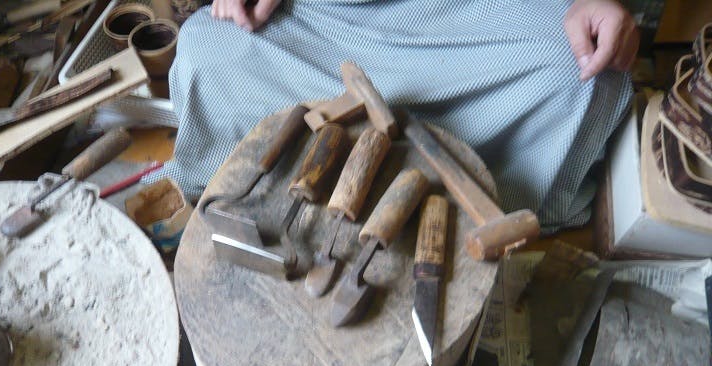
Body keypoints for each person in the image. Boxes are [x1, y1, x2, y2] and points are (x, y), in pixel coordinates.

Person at [152, 0, 638, 231]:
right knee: (205, 51)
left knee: (583, 67)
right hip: (322, 19)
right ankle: (262, 185)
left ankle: (483, 201)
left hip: (462, 17)